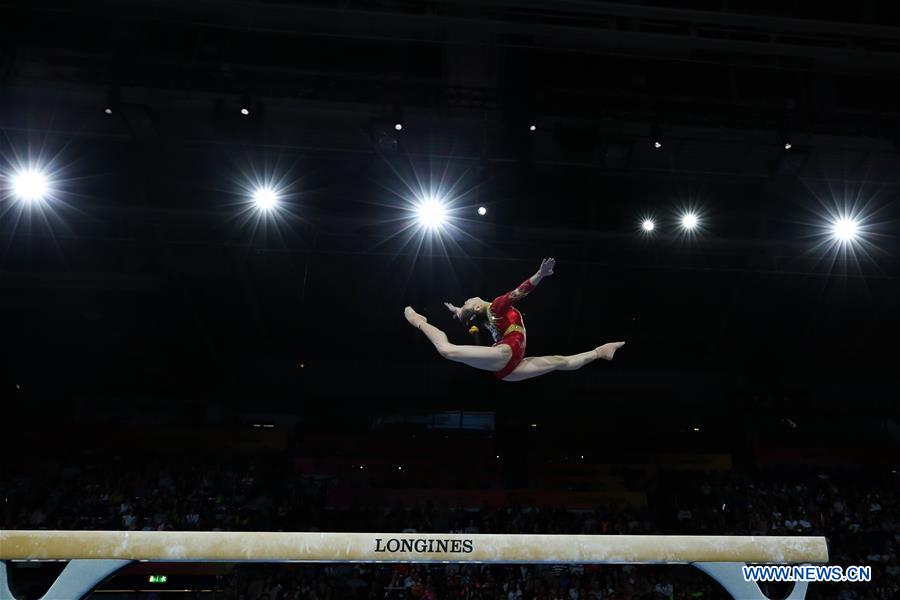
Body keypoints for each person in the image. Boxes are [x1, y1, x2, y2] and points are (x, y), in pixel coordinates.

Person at [404, 258, 624, 381]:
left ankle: (600, 351)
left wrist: (460, 310)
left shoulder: (491, 316)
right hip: (505, 355)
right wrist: (540, 275)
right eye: (467, 301)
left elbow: (473, 315)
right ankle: (417, 320)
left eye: (466, 301)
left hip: (512, 367)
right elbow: (519, 292)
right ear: (478, 307)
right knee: (447, 351)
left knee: (560, 362)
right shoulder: (495, 307)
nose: (467, 299)